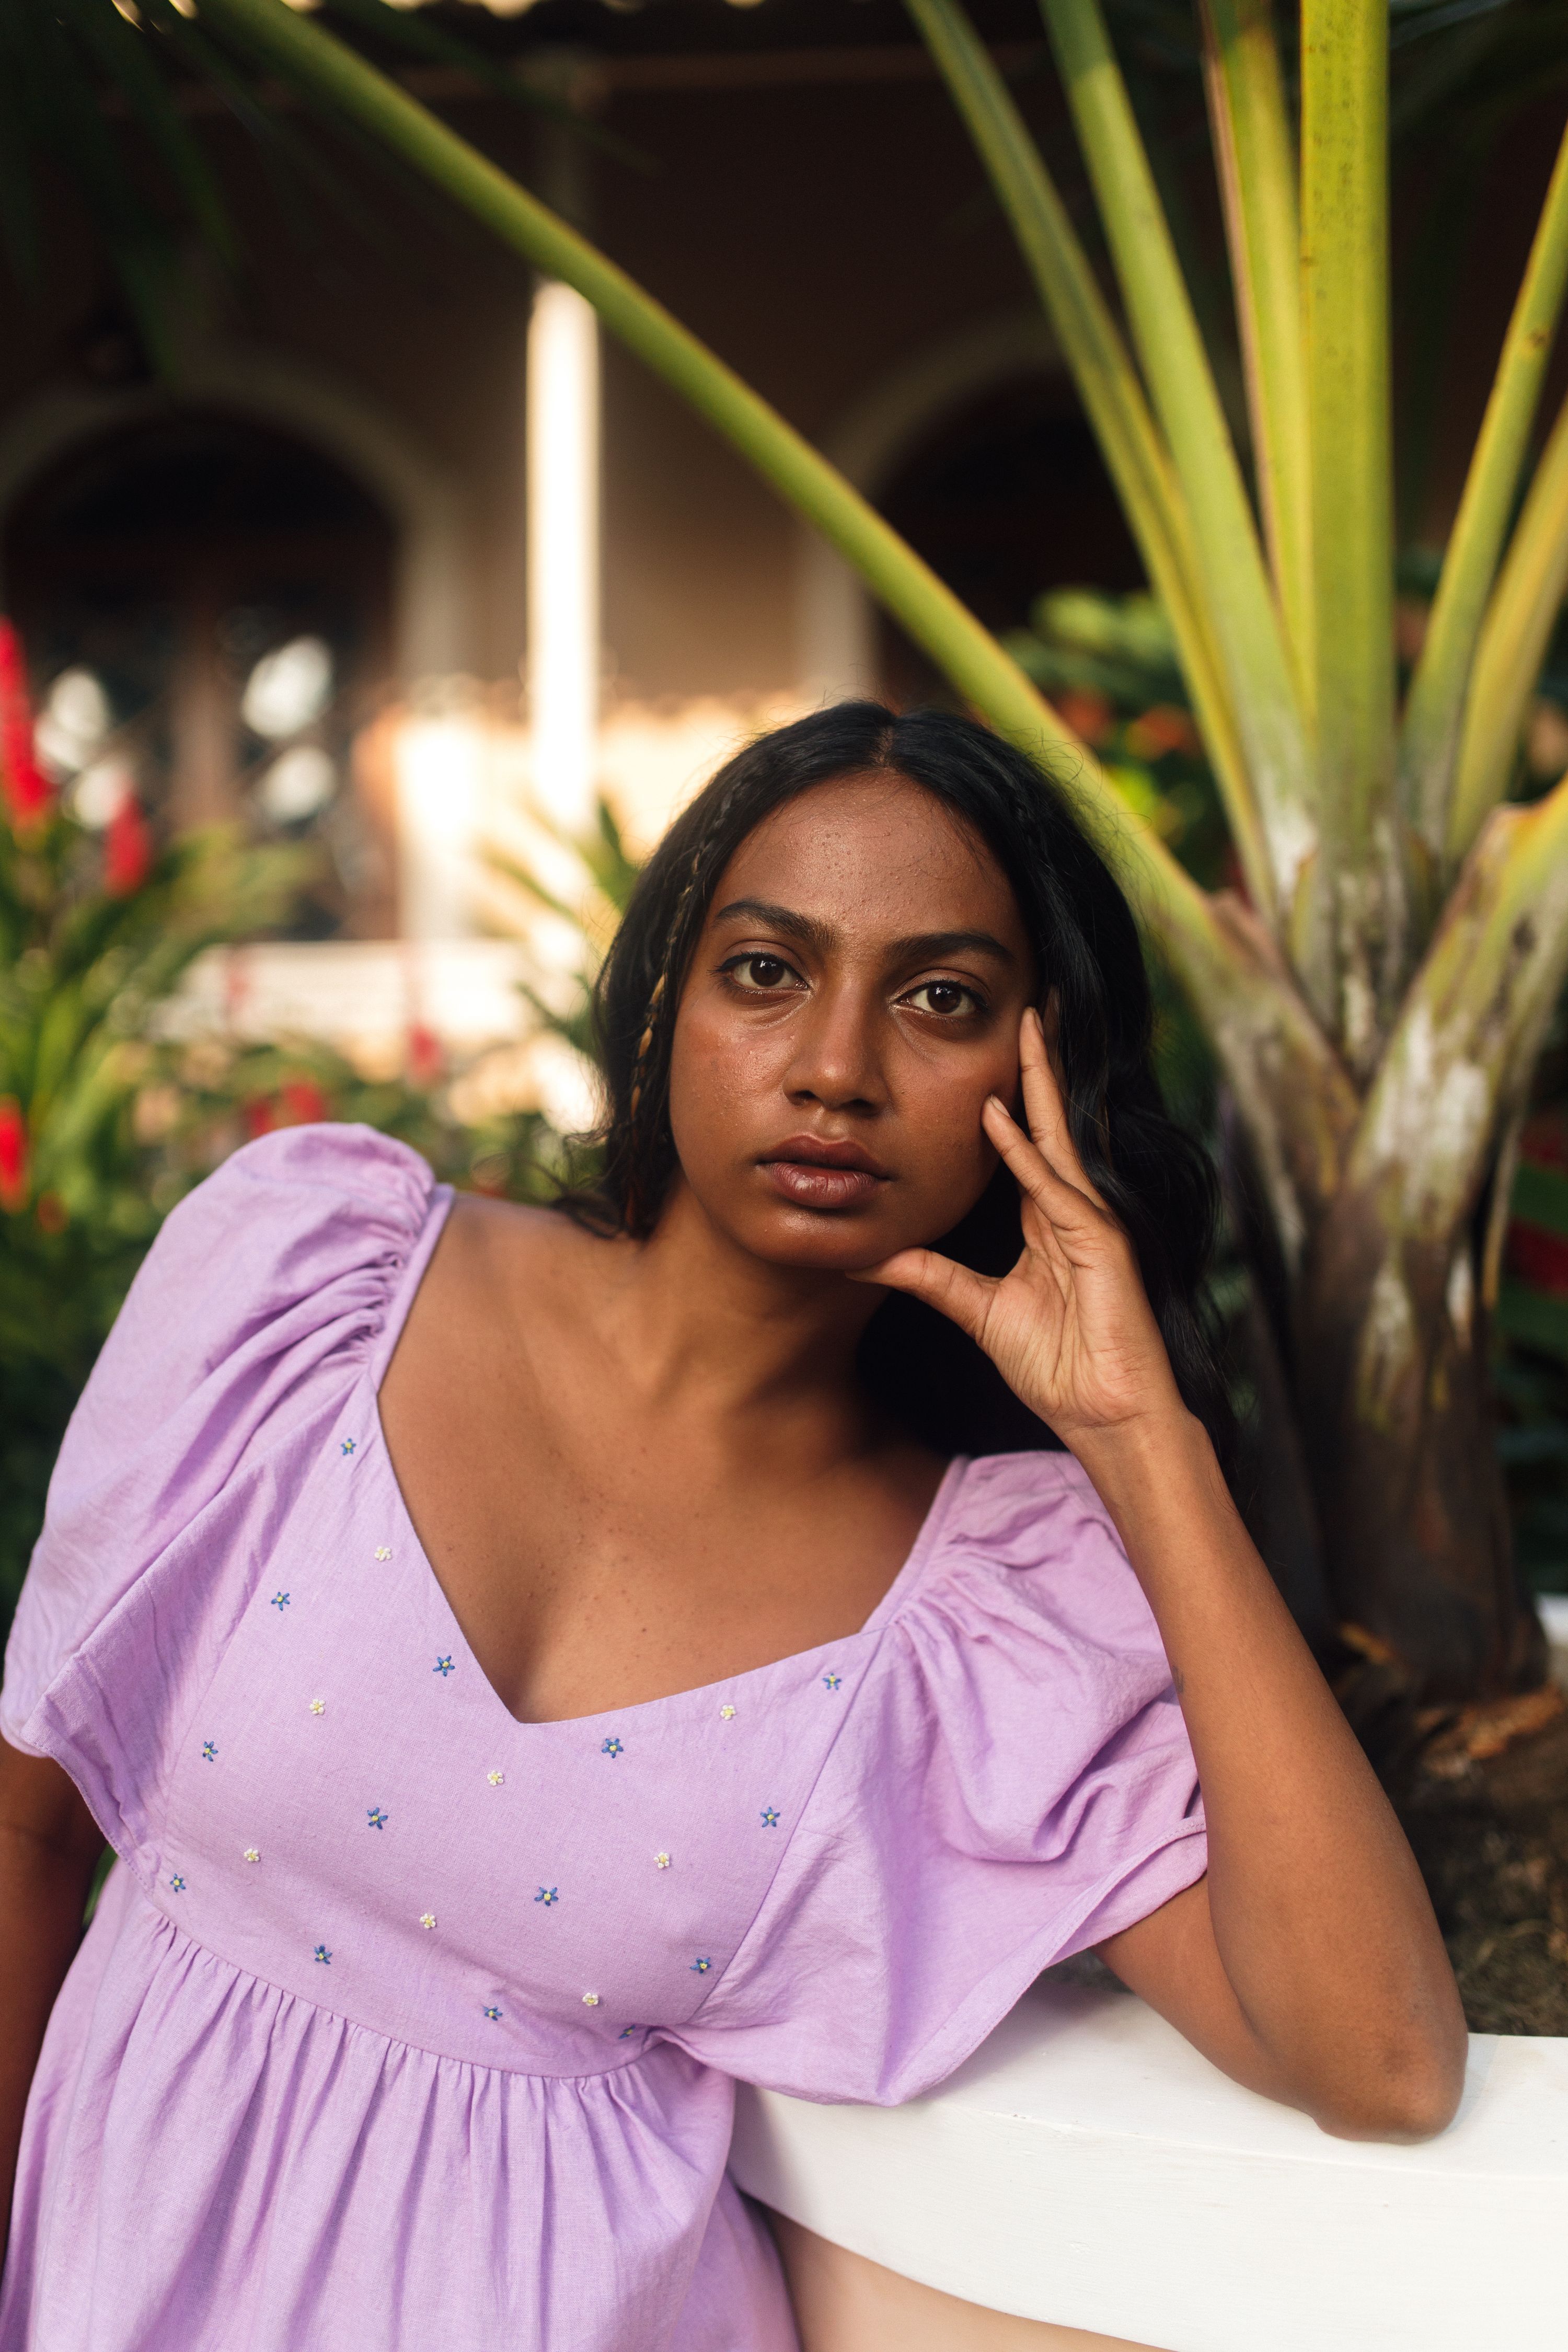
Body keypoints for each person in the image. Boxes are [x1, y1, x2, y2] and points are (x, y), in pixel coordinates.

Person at [0, 704, 1465, 2351]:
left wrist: (1143, 1441)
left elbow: (1382, 2062)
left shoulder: (984, 1611)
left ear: (1040, 1079)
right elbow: (28, 1829)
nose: (837, 1068)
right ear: (665, 1006)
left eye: (941, 1000)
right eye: (769, 969)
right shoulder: (309, 1283)